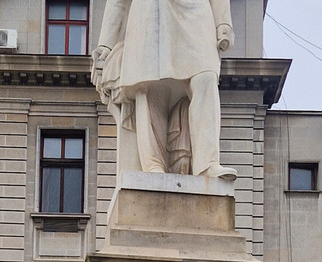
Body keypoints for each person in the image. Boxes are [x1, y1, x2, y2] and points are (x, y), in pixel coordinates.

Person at [93, 0, 236, 180]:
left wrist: (223, 22)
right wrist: (106, 43)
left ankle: (207, 164)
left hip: (197, 12)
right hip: (150, 11)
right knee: (150, 86)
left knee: (206, 77)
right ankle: (153, 166)